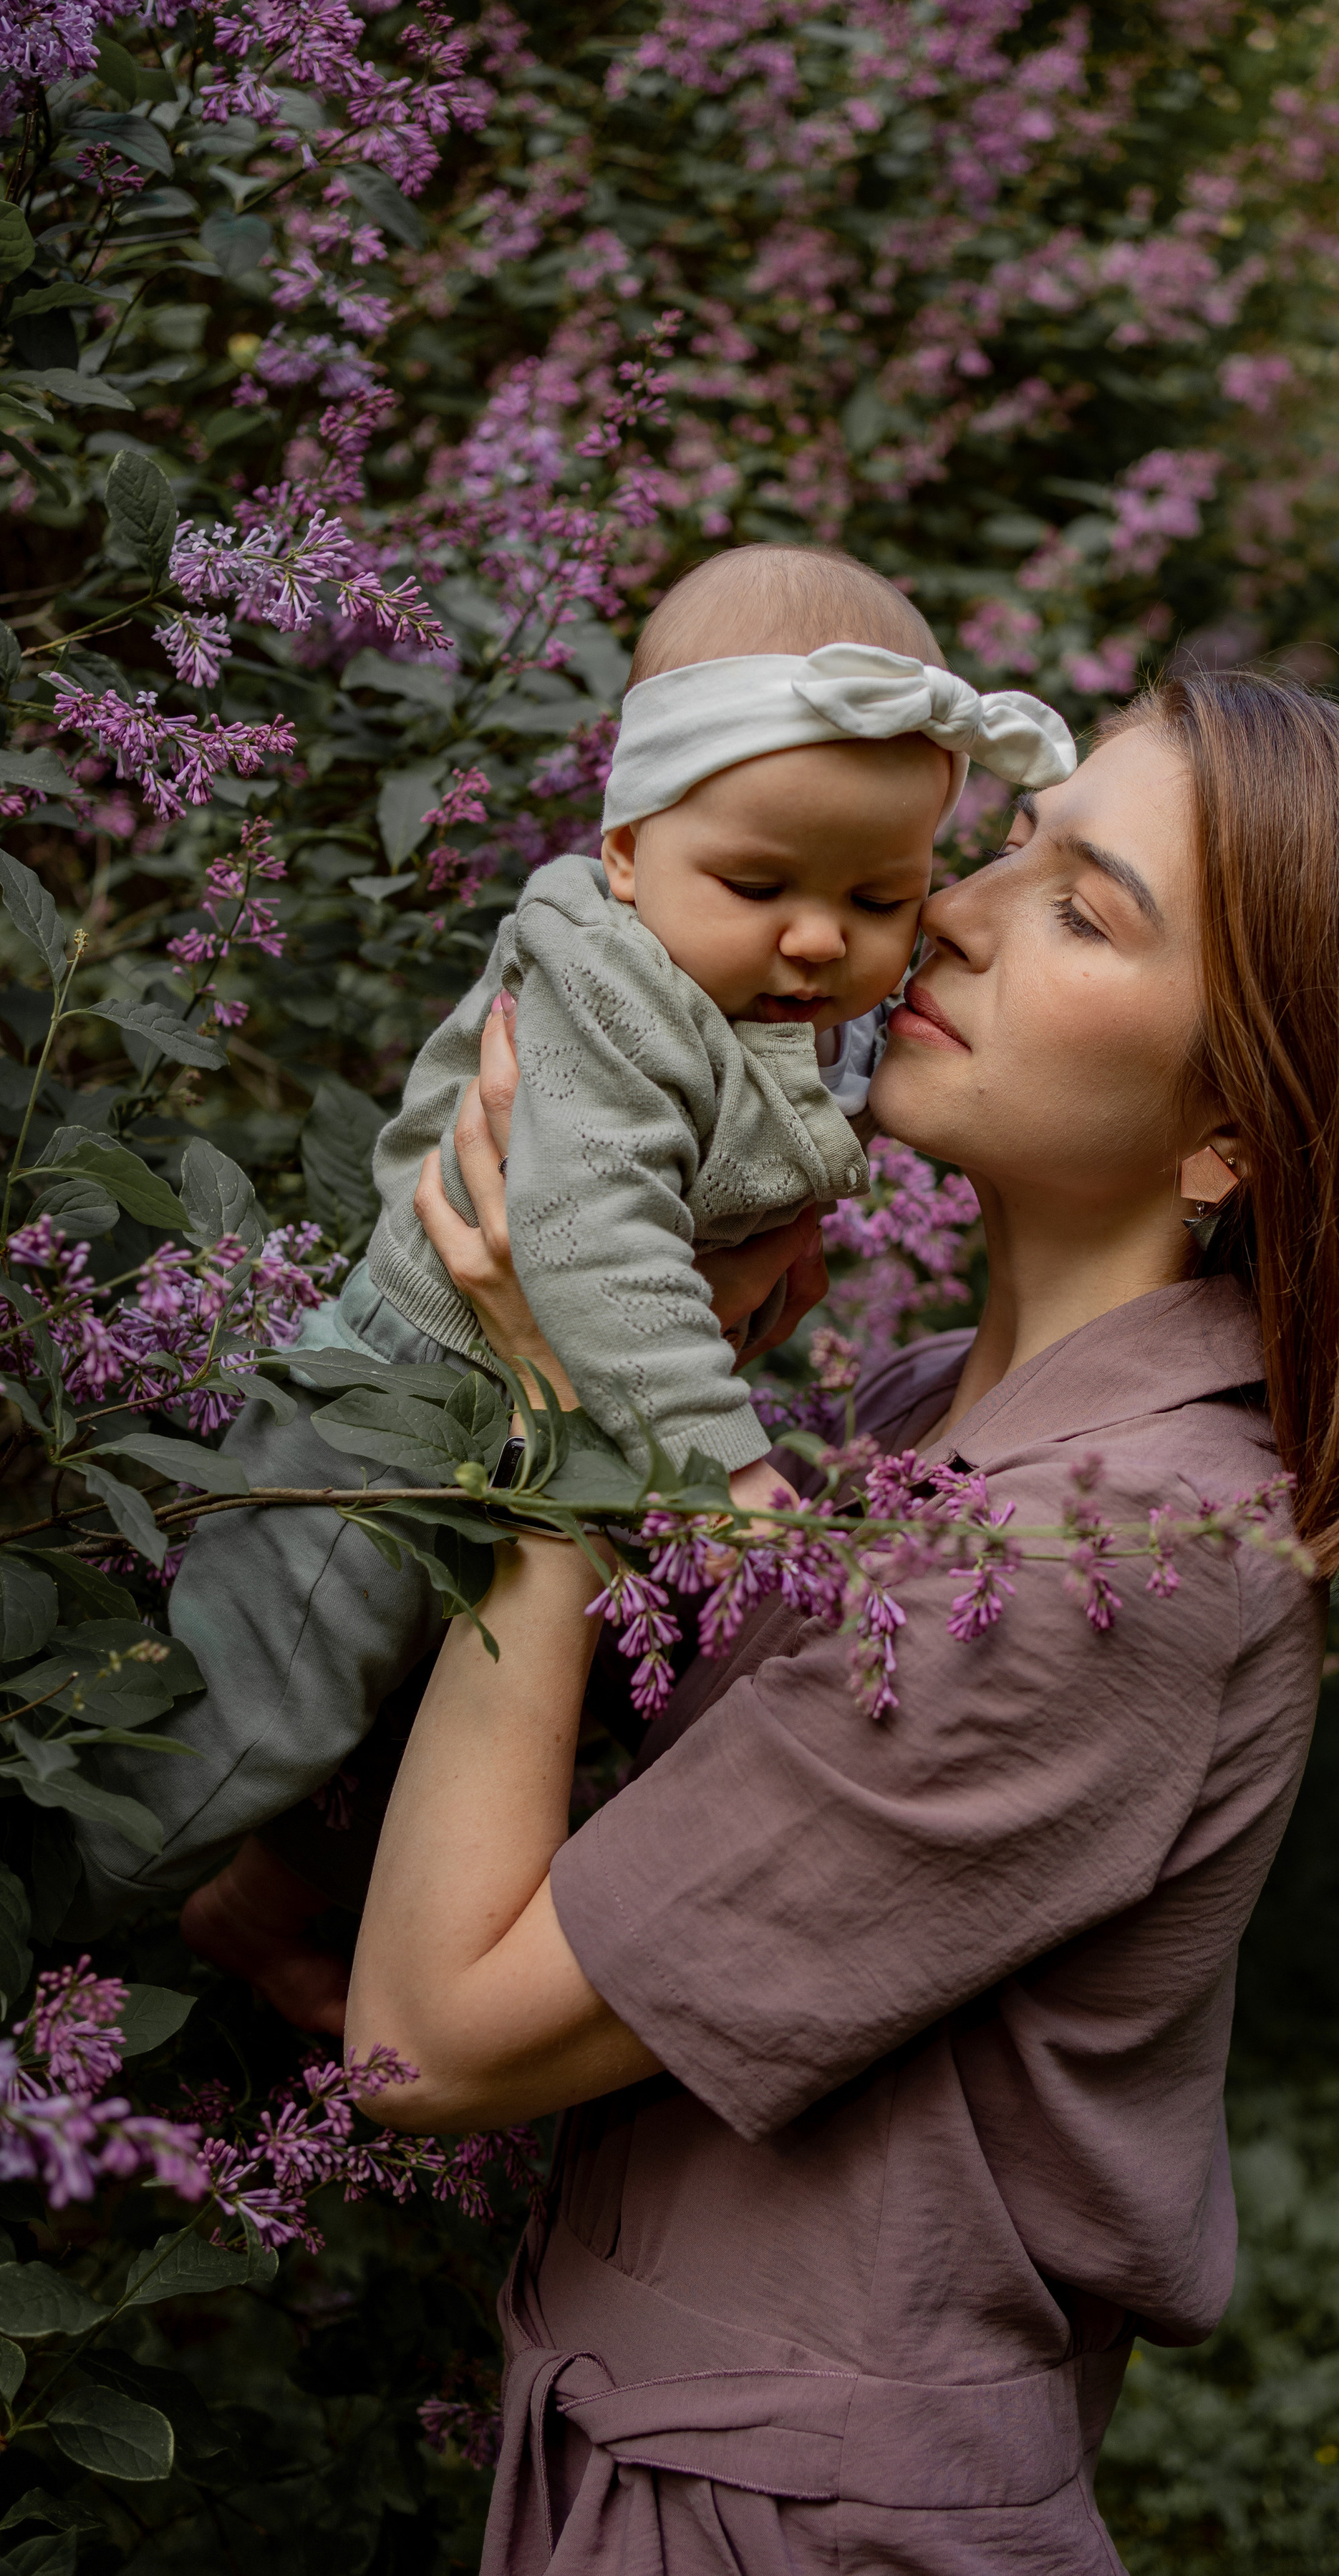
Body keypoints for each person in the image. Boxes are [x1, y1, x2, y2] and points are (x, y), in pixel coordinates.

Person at [345, 671, 1339, 2575]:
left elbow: (428, 2044)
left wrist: (569, 1435)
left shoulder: (1098, 1566)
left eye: (1086, 909)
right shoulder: (929, 1417)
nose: (952, 907)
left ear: (1234, 1141)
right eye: (1012, 848)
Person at [66, 544, 1072, 2011]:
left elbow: (792, 1118)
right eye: (757, 882)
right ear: (622, 852)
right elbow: (587, 1238)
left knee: (440, 1722)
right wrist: (721, 1483)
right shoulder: (602, 984)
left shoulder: (782, 980)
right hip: (403, 1415)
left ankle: (249, 1910)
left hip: (567, 1407)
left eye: (879, 899)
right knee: (259, 1712)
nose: (815, 938)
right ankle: (61, 1898)